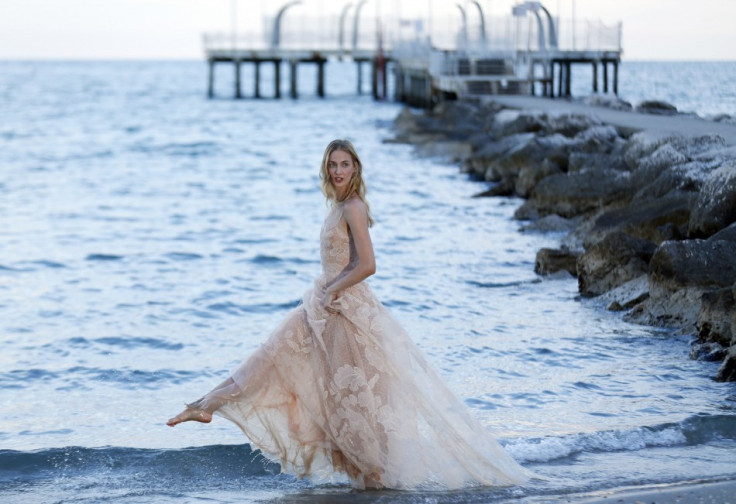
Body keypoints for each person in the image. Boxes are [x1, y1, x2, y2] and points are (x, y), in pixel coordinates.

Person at [167, 139, 531, 490]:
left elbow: (368, 264)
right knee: (270, 360)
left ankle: (375, 482)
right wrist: (328, 291)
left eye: (345, 164)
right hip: (325, 306)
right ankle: (204, 404)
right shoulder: (337, 207)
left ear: (355, 167)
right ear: (326, 169)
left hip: (345, 313)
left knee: (349, 407)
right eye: (332, 164)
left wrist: (333, 288)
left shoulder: (353, 206)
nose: (338, 170)